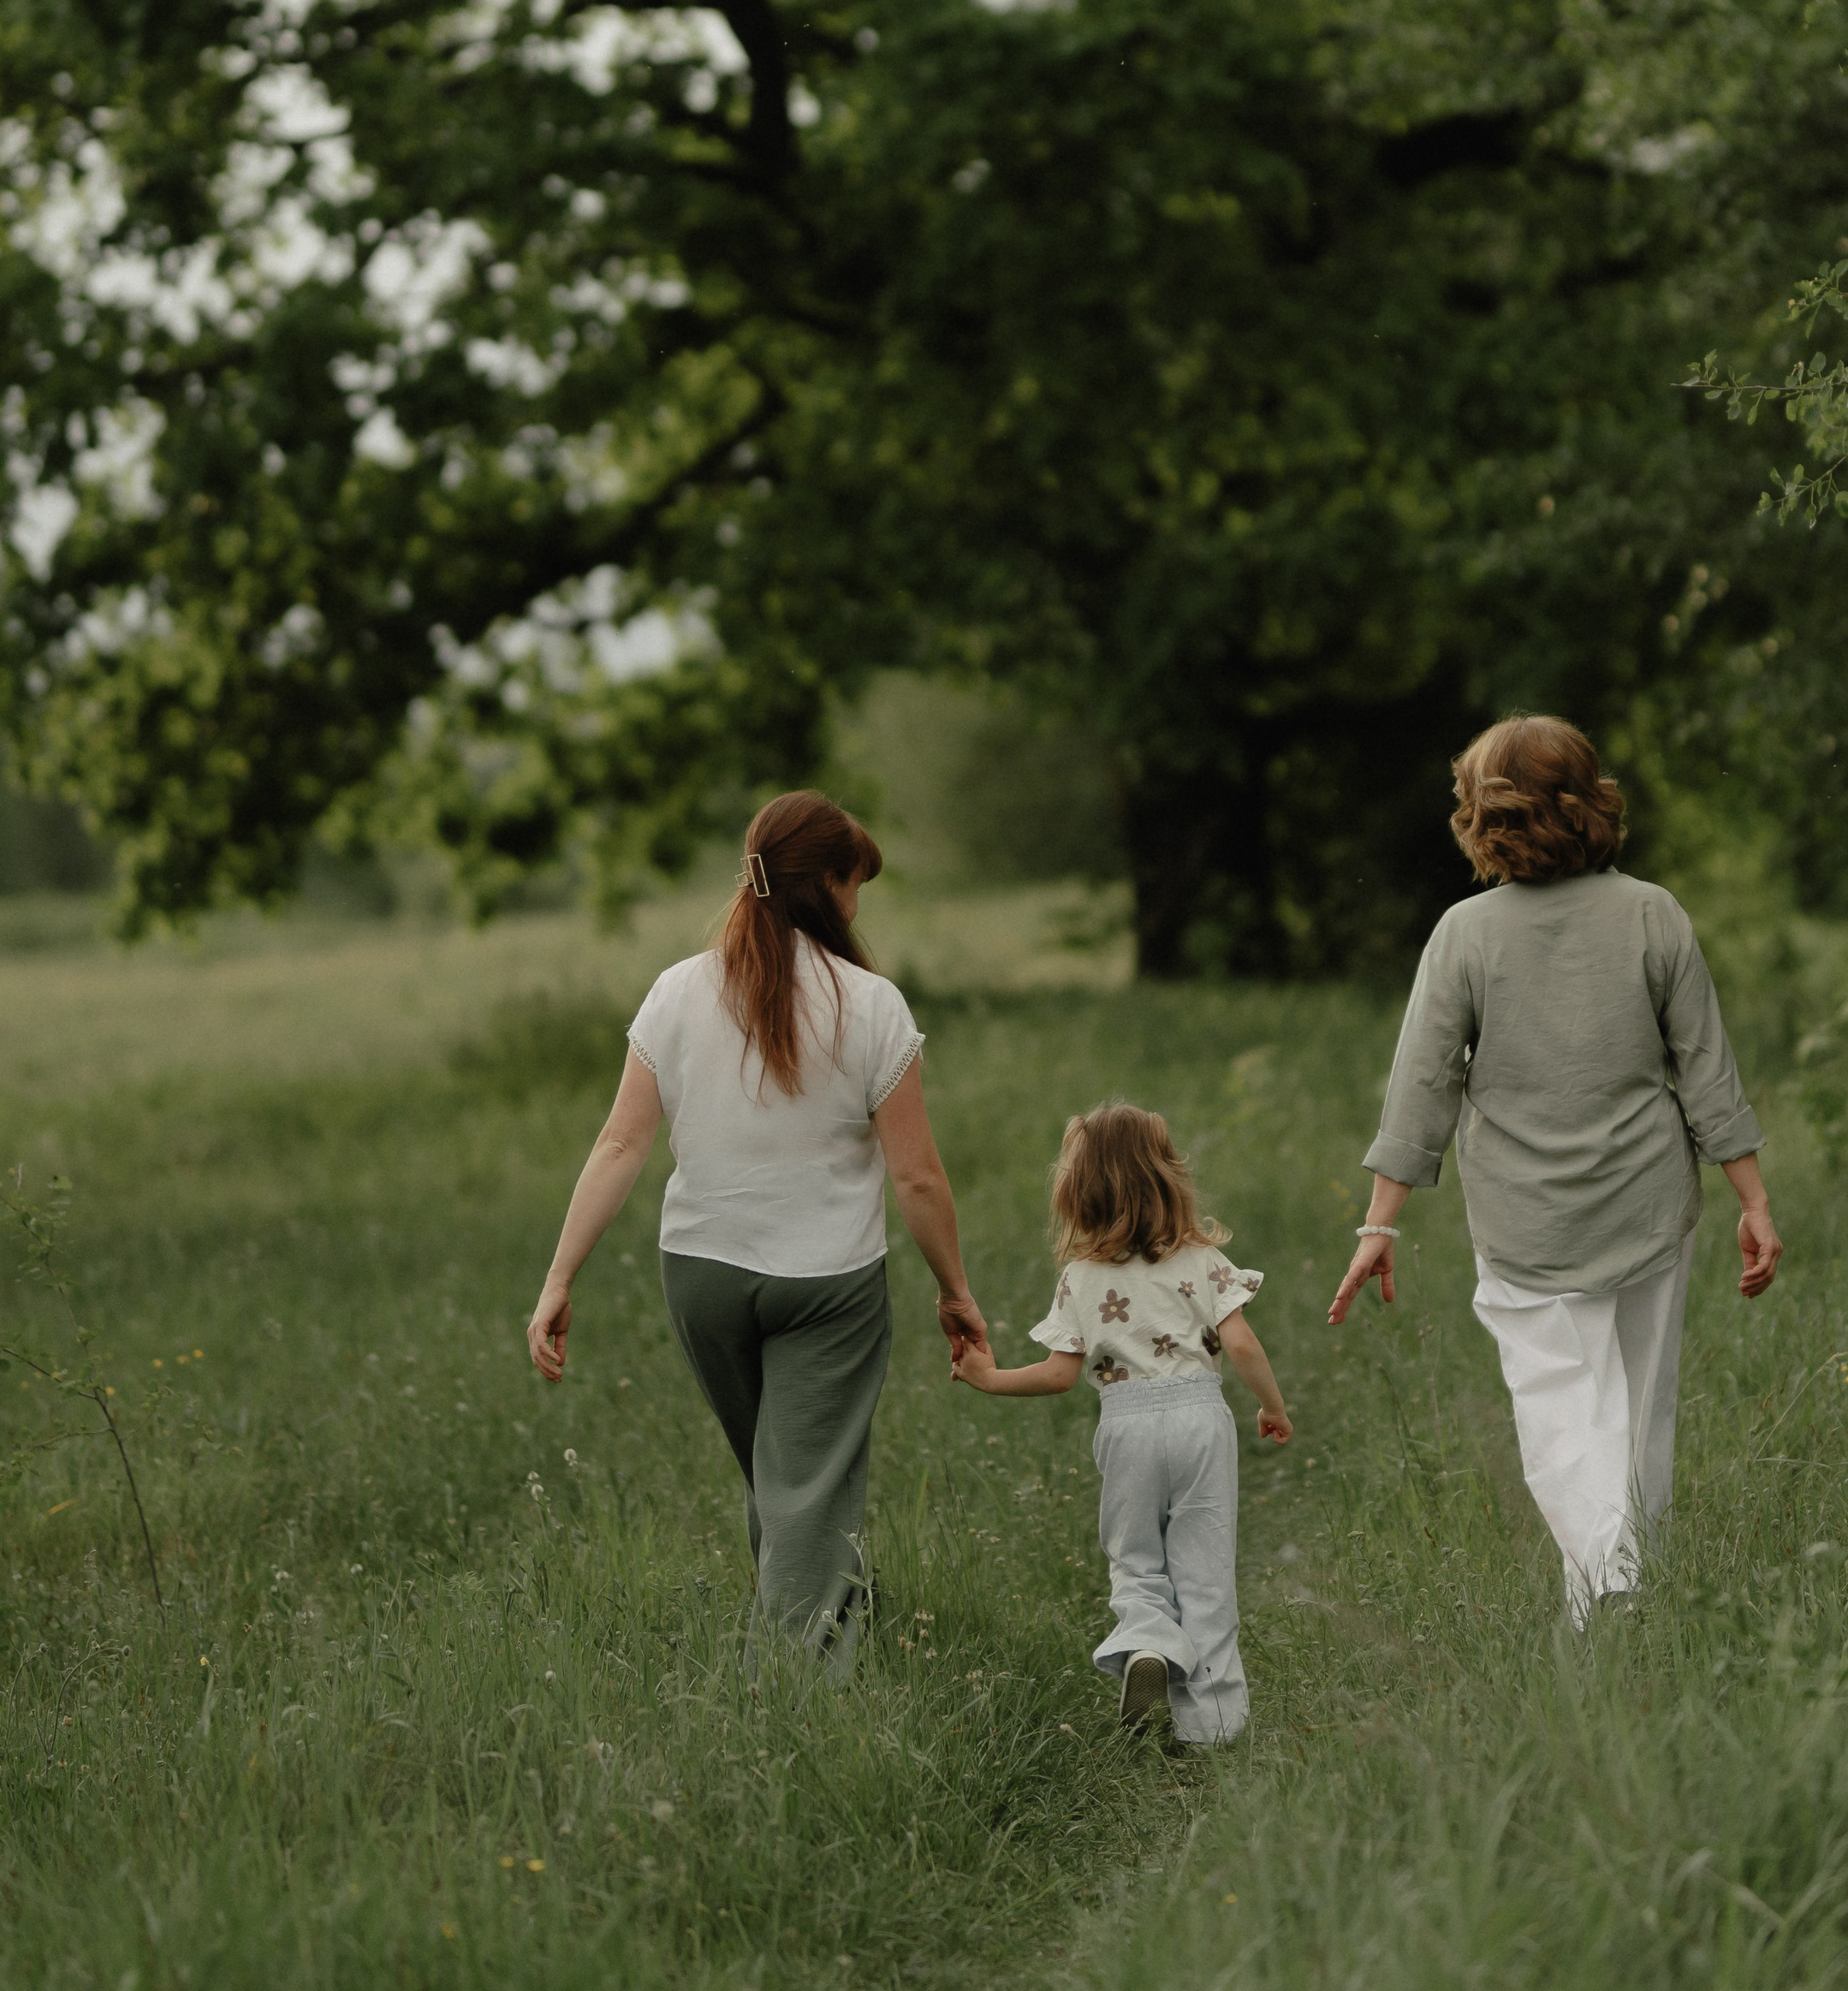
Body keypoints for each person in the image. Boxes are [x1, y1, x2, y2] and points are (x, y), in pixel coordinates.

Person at [1328, 716, 1781, 1626]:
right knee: (1638, 1412)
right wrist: (1753, 1201)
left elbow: (1421, 1085)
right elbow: (1706, 1069)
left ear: (1484, 819)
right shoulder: (1651, 911)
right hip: (1648, 1204)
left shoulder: (1465, 932)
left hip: (1524, 1220)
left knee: (1562, 1414)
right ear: (1588, 802)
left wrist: (1380, 1225)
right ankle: (1617, 1598)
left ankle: (1612, 1589)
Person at [525, 791, 987, 1679]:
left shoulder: (676, 990)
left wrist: (558, 1275)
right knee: (805, 1489)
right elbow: (919, 1175)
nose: (858, 903)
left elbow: (620, 1143)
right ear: (825, 883)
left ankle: (840, 1619)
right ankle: (790, 1700)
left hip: (699, 1276)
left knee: (785, 1484)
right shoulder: (873, 1005)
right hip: (828, 1287)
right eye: (855, 882)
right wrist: (954, 1288)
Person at [949, 1102, 1289, 1744]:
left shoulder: (1080, 1277)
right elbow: (1241, 1345)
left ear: (1080, 1193)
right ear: (1167, 1179)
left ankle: (1148, 1645)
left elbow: (1057, 1374)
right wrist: (1272, 1406)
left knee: (1135, 1558)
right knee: (1205, 1567)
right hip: (1200, 1419)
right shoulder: (1204, 1261)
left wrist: (987, 1376)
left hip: (1127, 1424)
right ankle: (1213, 1723)